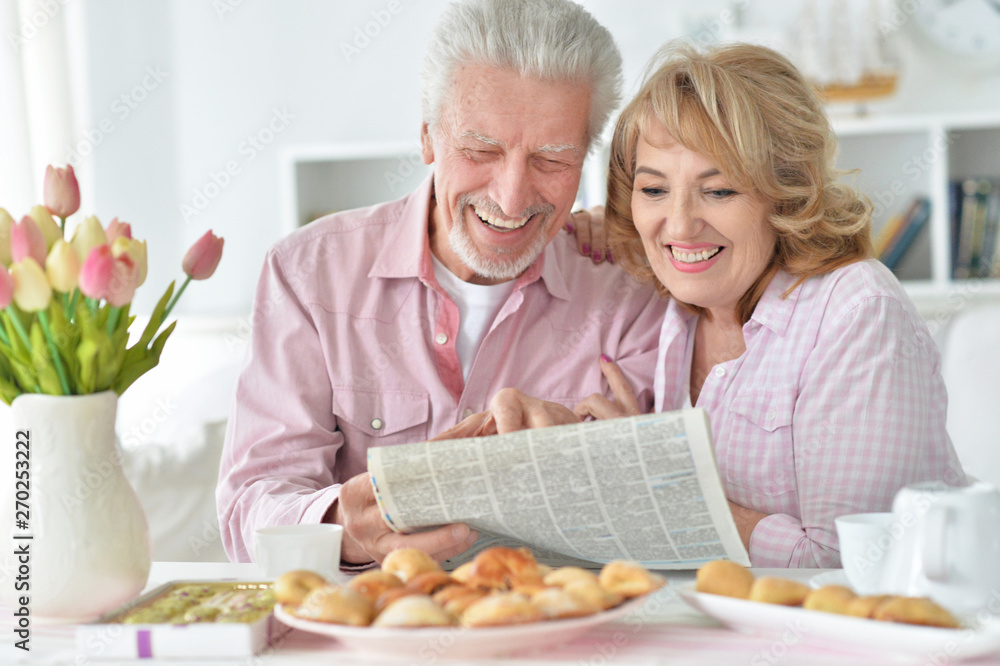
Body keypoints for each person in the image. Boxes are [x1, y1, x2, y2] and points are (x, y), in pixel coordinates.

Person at [449, 42, 964, 568]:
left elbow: (847, 564)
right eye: (653, 190)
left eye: (718, 191)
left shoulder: (857, 313)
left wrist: (652, 483)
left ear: (785, 195)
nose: (677, 224)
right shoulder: (673, 308)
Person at [216, 0, 667, 568]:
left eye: (552, 160)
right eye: (481, 151)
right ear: (428, 137)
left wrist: (624, 477)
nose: (511, 197)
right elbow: (250, 508)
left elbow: (662, 527)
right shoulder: (308, 275)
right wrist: (341, 526)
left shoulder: (632, 291)